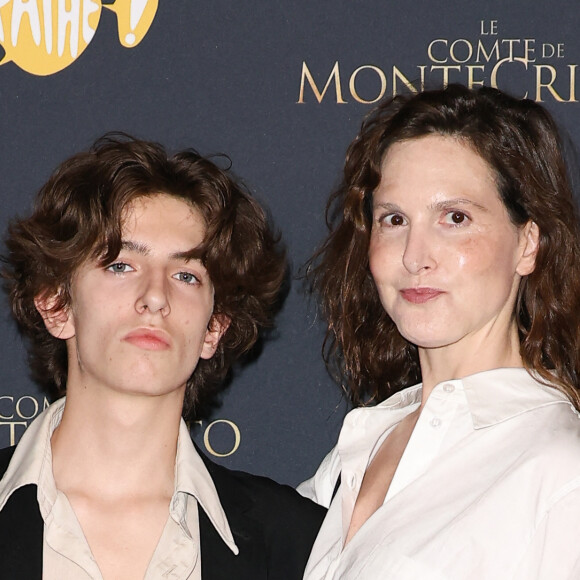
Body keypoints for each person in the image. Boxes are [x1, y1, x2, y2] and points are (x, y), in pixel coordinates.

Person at [0, 134, 325, 579]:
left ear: (214, 327)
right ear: (57, 304)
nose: (155, 297)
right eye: (120, 265)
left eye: (186, 275)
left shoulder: (299, 543)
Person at [298, 84, 580, 579]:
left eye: (455, 218)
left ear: (527, 245)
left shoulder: (562, 469)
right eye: (394, 219)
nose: (414, 255)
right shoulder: (357, 449)